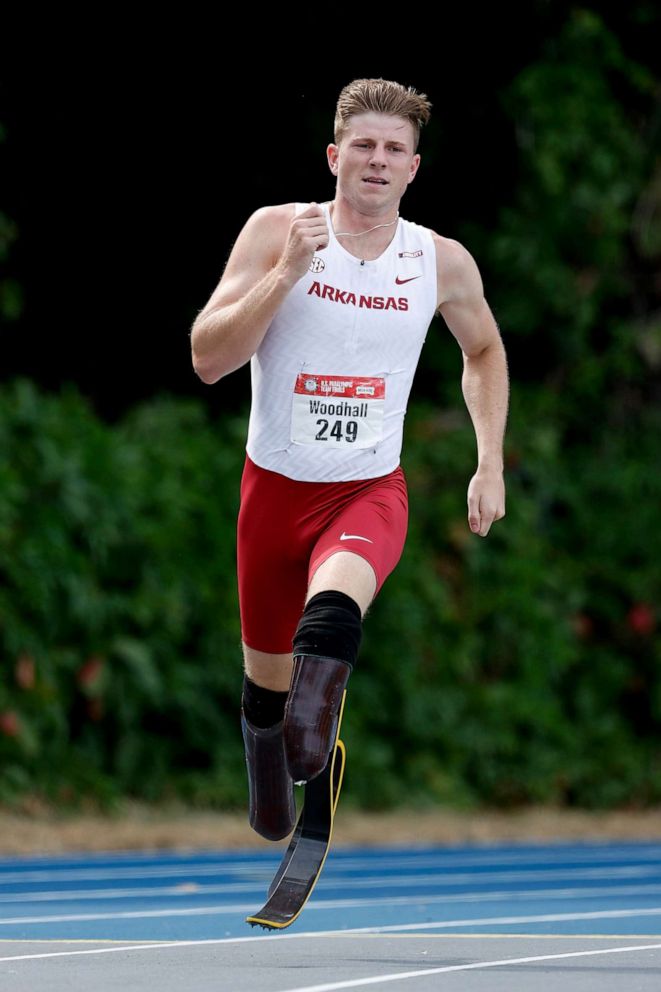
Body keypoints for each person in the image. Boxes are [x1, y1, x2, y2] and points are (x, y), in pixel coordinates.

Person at [190, 78, 508, 841]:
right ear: (334, 156)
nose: (377, 160)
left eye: (393, 149)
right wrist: (284, 274)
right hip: (271, 491)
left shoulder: (441, 262)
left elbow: (484, 349)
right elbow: (208, 358)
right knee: (266, 692)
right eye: (362, 145)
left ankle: (313, 745)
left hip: (366, 490)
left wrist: (488, 460)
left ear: (412, 169)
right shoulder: (278, 231)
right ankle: (272, 768)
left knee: (330, 618)